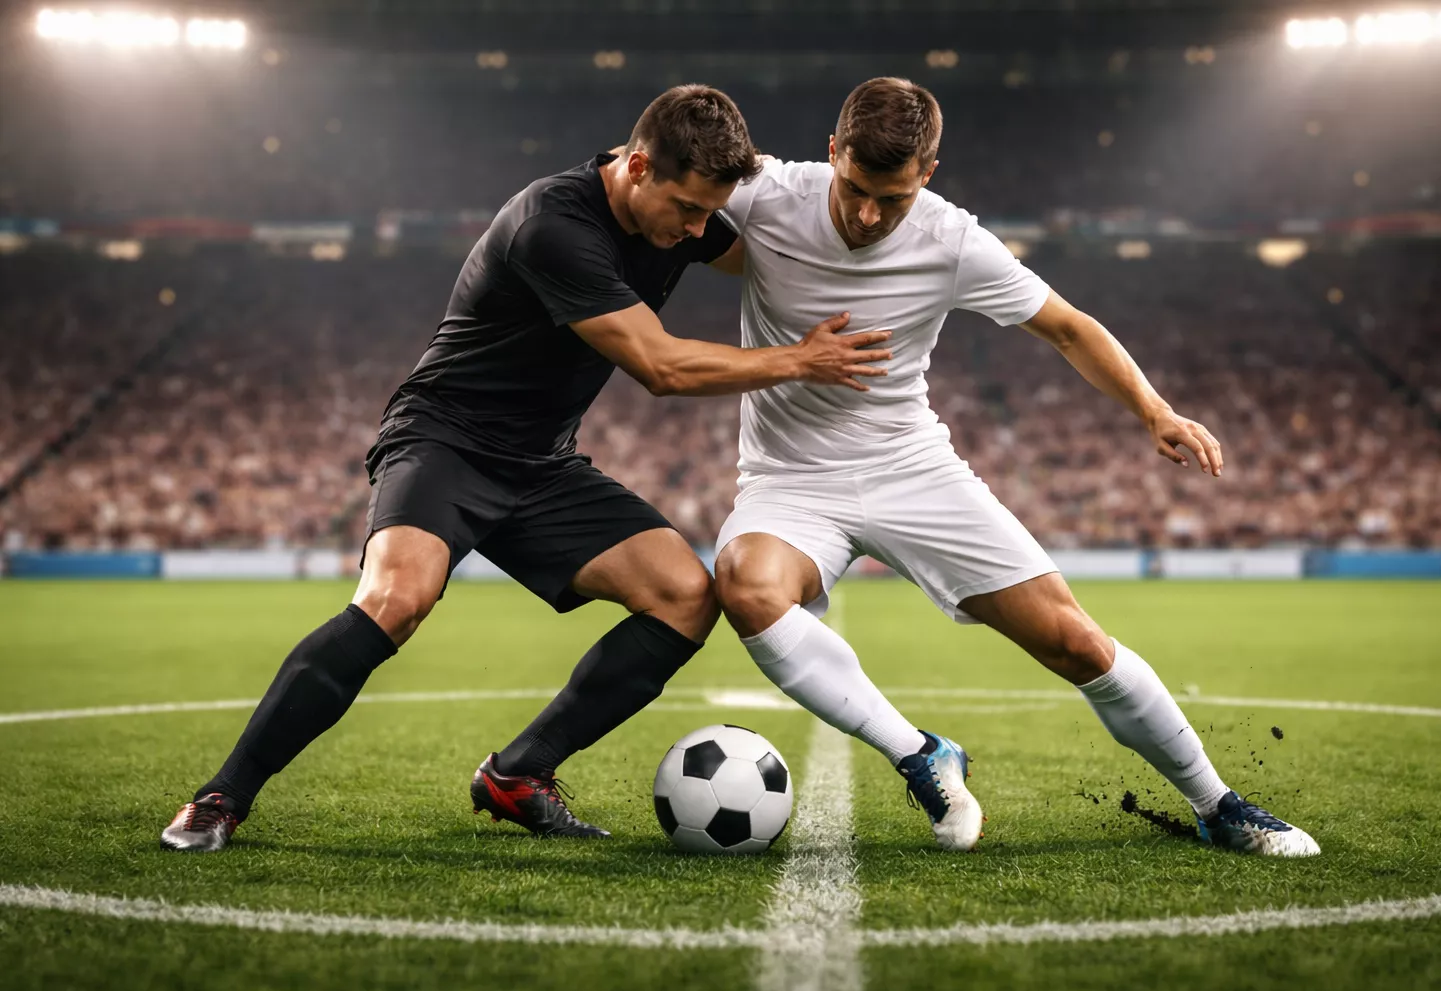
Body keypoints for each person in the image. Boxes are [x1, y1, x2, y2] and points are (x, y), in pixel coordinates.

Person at [161, 84, 893, 852]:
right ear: (638, 166)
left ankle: (519, 773)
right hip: (446, 439)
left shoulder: (680, 214)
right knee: (396, 598)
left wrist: (878, 232)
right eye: (686, 209)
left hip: (541, 463)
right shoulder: (554, 225)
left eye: (709, 213)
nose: (697, 230)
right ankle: (220, 798)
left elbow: (775, 254)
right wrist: (801, 360)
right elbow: (661, 367)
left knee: (684, 595)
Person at [708, 77, 1318, 856]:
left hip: (910, 466)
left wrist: (1155, 411)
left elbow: (1068, 328)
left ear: (928, 174)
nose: (867, 216)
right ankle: (920, 755)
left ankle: (1217, 804)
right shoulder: (767, 193)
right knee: (747, 586)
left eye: (892, 199)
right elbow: (652, 166)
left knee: (1074, 642)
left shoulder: (953, 240)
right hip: (791, 479)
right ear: (833, 152)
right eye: (855, 188)